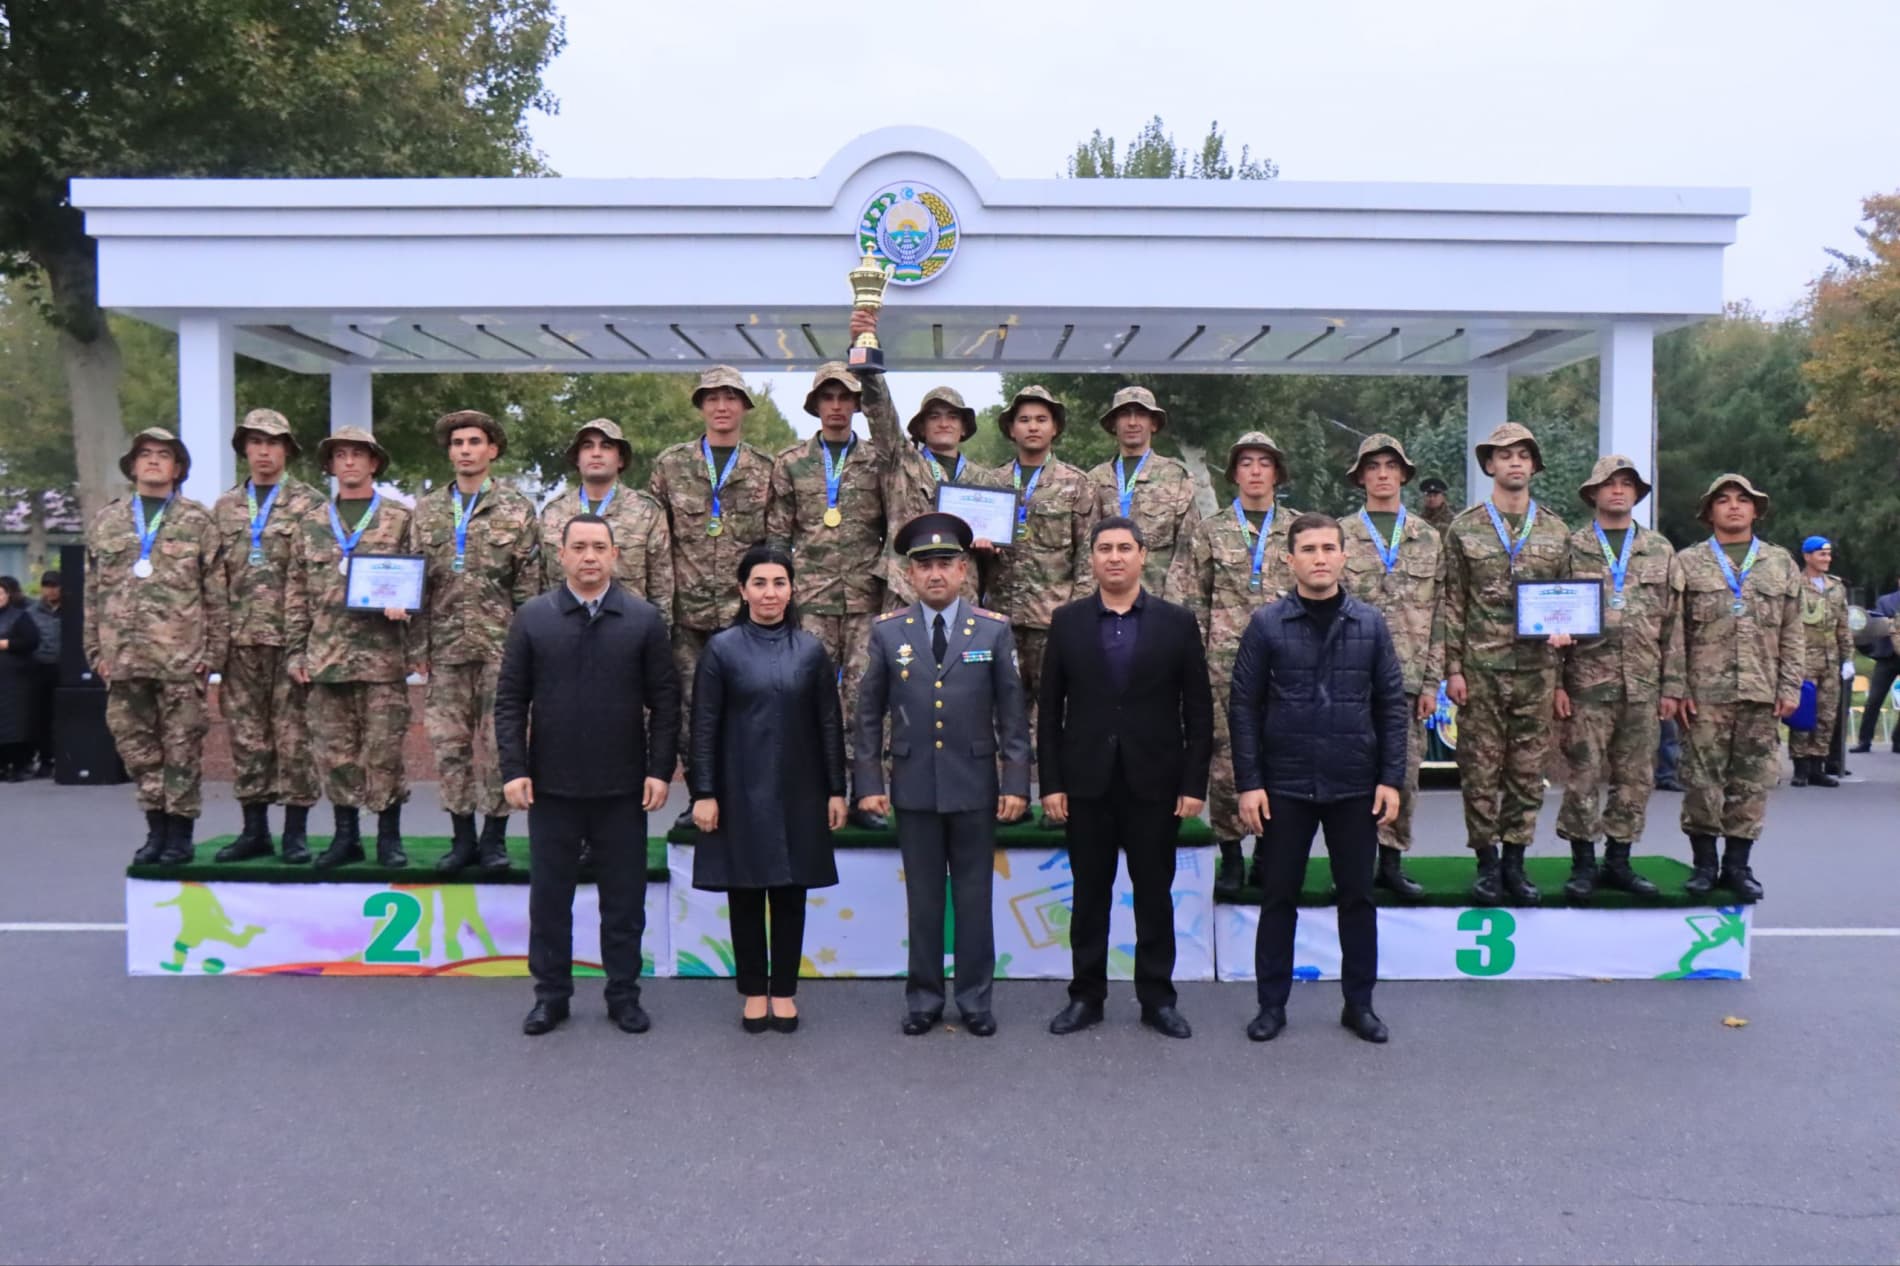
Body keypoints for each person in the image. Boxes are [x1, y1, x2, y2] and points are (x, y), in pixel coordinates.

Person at [498, 514, 680, 1037]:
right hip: (551, 788)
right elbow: (511, 699)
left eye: (599, 547)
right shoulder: (534, 618)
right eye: (579, 547)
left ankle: (623, 994)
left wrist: (659, 770)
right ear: (562, 555)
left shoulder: (643, 619)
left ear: (615, 554)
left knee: (623, 901)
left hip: (623, 789)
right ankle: (550, 996)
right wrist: (514, 769)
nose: (589, 557)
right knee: (549, 901)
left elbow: (665, 702)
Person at [1231, 513, 1405, 1044]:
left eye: (1329, 547)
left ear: (1344, 555)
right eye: (1308, 549)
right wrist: (1249, 782)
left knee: (1357, 897)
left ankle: (1360, 1005)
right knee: (1278, 896)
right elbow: (1243, 705)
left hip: (1354, 783)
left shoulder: (1371, 624)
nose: (1320, 557)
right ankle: (1271, 1006)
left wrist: (1391, 778)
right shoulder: (1266, 624)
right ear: (1291, 560)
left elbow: (1391, 706)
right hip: (1285, 786)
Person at [855, 513, 1030, 1037]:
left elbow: (1013, 715)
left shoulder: (993, 631)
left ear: (964, 571)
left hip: (976, 785)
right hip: (913, 786)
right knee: (925, 901)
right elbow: (868, 714)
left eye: (946, 564)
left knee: (975, 899)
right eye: (924, 565)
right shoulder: (888, 633)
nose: (936, 574)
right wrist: (868, 785)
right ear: (910, 575)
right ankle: (925, 999)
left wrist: (1017, 783)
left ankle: (976, 1000)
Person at [1040, 517, 1212, 1039]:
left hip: (1155, 784)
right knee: (1090, 894)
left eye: (1124, 548)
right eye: (1104, 549)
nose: (1114, 557)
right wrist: (1050, 783)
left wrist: (1193, 784)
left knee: (1153, 893)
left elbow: (1198, 712)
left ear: (1143, 556)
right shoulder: (1067, 622)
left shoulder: (1176, 623)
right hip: (1086, 782)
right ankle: (1085, 996)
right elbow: (1049, 711)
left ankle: (1157, 999)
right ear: (1091, 559)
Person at [688, 544, 846, 1033]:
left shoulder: (812, 649)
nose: (769, 593)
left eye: (779, 583)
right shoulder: (721, 648)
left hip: (801, 791)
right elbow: (704, 725)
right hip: (739, 791)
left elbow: (828, 725)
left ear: (792, 589)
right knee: (746, 894)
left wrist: (836, 791)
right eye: (759, 583)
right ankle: (754, 992)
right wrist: (704, 792)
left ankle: (785, 991)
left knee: (791, 894)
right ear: (742, 590)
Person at [1438, 422, 1571, 904]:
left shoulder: (1557, 529)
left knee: (1526, 771)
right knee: (1479, 771)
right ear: (1489, 465)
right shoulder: (1464, 527)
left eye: (1523, 455)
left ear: (1534, 466)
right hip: (1480, 671)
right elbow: (1452, 602)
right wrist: (1452, 669)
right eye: (1504, 455)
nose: (1514, 462)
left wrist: (1564, 629)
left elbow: (1569, 598)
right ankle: (1487, 865)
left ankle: (1516, 861)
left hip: (1537, 671)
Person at [85, 428, 228, 865]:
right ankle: (155, 828)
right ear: (131, 466)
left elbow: (215, 592)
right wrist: (95, 652)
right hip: (124, 660)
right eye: (144, 454)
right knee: (138, 748)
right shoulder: (107, 521)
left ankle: (180, 833)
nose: (152, 461)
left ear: (177, 468)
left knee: (182, 748)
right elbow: (93, 592)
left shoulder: (198, 521)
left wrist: (214, 655)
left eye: (163, 455)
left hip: (181, 659)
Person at [284, 427, 425, 868]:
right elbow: (295, 593)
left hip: (383, 658)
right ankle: (346, 836)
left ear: (374, 463)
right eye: (340, 455)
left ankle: (388, 837)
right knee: (335, 754)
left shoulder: (401, 519)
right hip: (326, 659)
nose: (349, 462)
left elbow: (422, 581)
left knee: (384, 752)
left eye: (358, 455)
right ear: (330, 465)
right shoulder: (309, 523)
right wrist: (295, 652)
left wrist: (408, 612)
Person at [1166, 432, 1298, 896]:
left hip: (1290, 665)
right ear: (1234, 474)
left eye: (1265, 462)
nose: (1256, 471)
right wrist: (1191, 663)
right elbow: (1188, 599)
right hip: (1223, 664)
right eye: (1246, 463)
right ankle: (1231, 854)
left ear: (1277, 472)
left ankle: (1268, 852)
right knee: (1226, 762)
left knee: (1281, 759)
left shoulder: (1300, 531)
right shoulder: (1210, 530)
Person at [1661, 474, 1803, 902]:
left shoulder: (1780, 563)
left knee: (1752, 783)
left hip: (1761, 690)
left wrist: (1791, 684)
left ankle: (1738, 866)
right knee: (1702, 783)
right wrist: (1677, 684)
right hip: (1704, 694)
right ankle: (1704, 864)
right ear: (1710, 513)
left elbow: (1793, 631)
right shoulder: (1688, 563)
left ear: (1756, 510)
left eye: (1743, 500)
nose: (1734, 507)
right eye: (1723, 501)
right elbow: (1674, 633)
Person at [415, 409, 541, 873]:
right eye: (457, 443)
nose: (465, 450)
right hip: (445, 651)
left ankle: (494, 840)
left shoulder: (518, 510)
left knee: (498, 745)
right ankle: (461, 838)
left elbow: (531, 588)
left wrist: (530, 653)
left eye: (474, 442)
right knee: (449, 746)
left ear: (492, 450)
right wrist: (416, 649)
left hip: (501, 650)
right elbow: (416, 585)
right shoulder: (427, 511)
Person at [649, 366, 775, 831]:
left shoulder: (765, 468)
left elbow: (775, 543)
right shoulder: (670, 465)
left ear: (744, 406)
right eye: (712, 398)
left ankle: (746, 797)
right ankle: (701, 794)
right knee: (689, 711)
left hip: (745, 618)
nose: (721, 406)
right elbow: (656, 541)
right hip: (688, 616)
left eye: (730, 397)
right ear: (701, 406)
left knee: (751, 709)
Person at [767, 362, 890, 829]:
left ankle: (866, 796)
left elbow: (894, 523)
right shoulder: (791, 462)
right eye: (828, 398)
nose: (837, 406)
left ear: (857, 404)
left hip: (864, 599)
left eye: (845, 398)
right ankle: (813, 792)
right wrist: (780, 596)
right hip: (811, 601)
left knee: (864, 699)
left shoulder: (879, 459)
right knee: (806, 698)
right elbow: (777, 537)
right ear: (815, 405)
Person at [1552, 456, 1675, 901]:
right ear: (1593, 494)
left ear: (1637, 494)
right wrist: (1557, 684)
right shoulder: (1572, 546)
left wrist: (1672, 686)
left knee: (1635, 776)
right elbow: (1552, 615)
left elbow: (1673, 624)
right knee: (1583, 773)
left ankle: (1619, 861)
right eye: (1608, 484)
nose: (1618, 491)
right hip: (1587, 681)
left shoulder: (1660, 550)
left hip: (1643, 684)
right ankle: (1583, 863)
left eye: (1626, 484)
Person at [976, 385, 1098, 815]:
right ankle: (1007, 799)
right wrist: (978, 548)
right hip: (998, 619)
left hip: (1054, 620)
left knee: (1056, 714)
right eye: (1024, 419)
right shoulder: (987, 484)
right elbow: (967, 559)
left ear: (1055, 428)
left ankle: (1055, 799)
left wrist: (1079, 616)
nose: (1032, 426)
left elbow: (1087, 556)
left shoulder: (1077, 485)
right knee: (1001, 712)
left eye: (1041, 419)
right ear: (1011, 428)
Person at [209, 409, 324, 864]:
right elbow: (212, 578)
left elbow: (320, 576)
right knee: (246, 739)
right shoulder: (223, 508)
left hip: (291, 641)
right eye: (254, 442)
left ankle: (295, 832)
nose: (263, 451)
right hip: (240, 643)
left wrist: (312, 643)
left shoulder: (312, 505)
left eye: (272, 443)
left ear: (287, 450)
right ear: (244, 449)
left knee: (295, 739)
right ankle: (253, 829)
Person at [1338, 433, 1442, 900]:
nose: (1382, 473)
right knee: (1350, 773)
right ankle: (1354, 861)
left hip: (1406, 678)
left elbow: (1442, 612)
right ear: (1361, 476)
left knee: (1401, 773)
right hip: (1348, 678)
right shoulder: (1338, 535)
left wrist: (1431, 680)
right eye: (1373, 466)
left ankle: (1392, 862)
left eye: (1391, 466)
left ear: (1403, 474)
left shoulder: (1427, 536)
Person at [848, 307, 984, 611]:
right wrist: (864, 350)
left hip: (963, 595)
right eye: (934, 416)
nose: (944, 422)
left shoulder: (984, 481)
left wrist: (989, 545)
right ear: (921, 427)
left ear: (964, 428)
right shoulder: (900, 461)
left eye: (952, 416)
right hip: (905, 591)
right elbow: (880, 413)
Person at [541, 418, 674, 611]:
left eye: (606, 446)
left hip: (627, 628)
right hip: (565, 627)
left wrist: (658, 636)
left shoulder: (646, 511)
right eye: (587, 446)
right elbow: (542, 584)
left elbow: (661, 587)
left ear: (620, 459)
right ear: (577, 459)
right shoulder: (553, 512)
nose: (596, 453)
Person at [1086, 387, 1201, 593]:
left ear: (1153, 424)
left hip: (1157, 601)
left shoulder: (1176, 477)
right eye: (1124, 415)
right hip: (1105, 603)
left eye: (1140, 414)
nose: (1132, 422)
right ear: (1113, 424)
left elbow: (1188, 549)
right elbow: (1085, 549)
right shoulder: (1094, 479)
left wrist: (1171, 608)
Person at [1787, 537, 1853, 788]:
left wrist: (1848, 657)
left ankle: (1818, 766)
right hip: (1803, 659)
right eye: (1821, 554)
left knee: (1827, 715)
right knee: (1803, 713)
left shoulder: (1836, 587)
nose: (1826, 559)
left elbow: (1843, 626)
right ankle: (1800, 767)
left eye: (1828, 554)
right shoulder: (1795, 585)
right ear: (1807, 556)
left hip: (1830, 659)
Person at [1850, 576, 1900, 753]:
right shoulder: (1886, 601)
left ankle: (1898, 740)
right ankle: (1864, 741)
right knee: (1874, 700)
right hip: (1888, 657)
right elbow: (1876, 622)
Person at [0, 576, 43, 779]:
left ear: (8, 595)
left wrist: (5, 644)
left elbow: (32, 641)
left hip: (15, 678)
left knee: (16, 723)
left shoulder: (20, 616)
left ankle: (18, 764)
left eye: (0, 593)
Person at [27, 570, 61, 778]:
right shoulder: (32, 612)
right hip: (41, 667)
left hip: (66, 668)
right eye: (47, 586)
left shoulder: (73, 611)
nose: (50, 590)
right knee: (42, 716)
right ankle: (46, 759)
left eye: (54, 586)